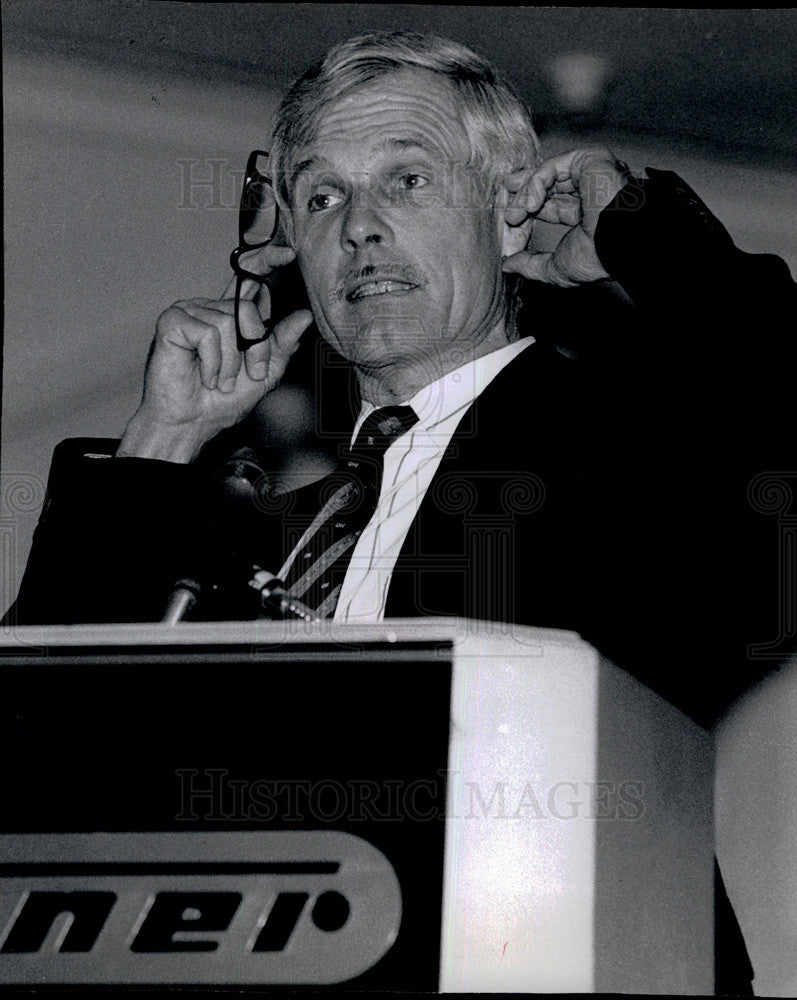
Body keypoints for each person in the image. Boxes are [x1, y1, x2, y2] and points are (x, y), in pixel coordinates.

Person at [6, 30, 794, 726]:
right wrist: (162, 441)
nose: (358, 226)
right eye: (321, 196)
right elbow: (37, 735)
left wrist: (648, 238)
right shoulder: (246, 535)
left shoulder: (638, 459)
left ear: (508, 208)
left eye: (407, 181)